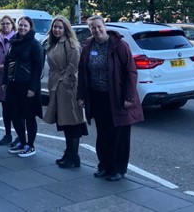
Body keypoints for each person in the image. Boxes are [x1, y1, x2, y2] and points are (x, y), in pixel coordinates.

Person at [77, 15, 144, 182]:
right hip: (97, 96)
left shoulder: (119, 45)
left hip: (118, 97)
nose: (97, 30)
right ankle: (104, 166)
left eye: (99, 26)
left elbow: (131, 71)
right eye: (93, 27)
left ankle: (118, 169)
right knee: (103, 134)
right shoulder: (88, 46)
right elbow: (83, 73)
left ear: (104, 26)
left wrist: (129, 95)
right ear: (90, 29)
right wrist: (81, 95)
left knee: (119, 135)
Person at [43, 16, 87, 168]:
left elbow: (73, 65)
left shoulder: (70, 43)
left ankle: (73, 157)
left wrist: (65, 83)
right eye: (55, 27)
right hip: (57, 85)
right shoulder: (54, 43)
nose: (57, 29)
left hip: (67, 88)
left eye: (60, 27)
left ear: (66, 29)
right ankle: (69, 154)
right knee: (65, 122)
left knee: (71, 122)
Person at [3, 16, 43, 158]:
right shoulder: (13, 42)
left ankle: (30, 145)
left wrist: (33, 88)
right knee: (15, 115)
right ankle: (22, 141)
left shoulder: (35, 44)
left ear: (30, 27)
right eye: (20, 25)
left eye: (25, 25)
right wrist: (4, 82)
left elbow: (38, 68)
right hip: (13, 85)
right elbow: (7, 63)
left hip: (27, 86)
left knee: (29, 117)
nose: (22, 28)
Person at [0, 15, 18, 146]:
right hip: (0, 78)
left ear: (12, 25)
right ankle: (8, 134)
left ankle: (20, 135)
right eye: (3, 24)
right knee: (5, 108)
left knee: (16, 109)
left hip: (14, 79)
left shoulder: (17, 39)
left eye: (8, 23)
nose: (5, 26)